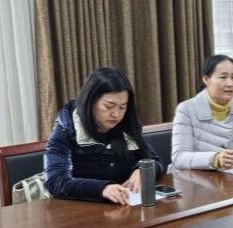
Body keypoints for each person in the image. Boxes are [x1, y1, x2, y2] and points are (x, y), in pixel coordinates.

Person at [45, 67, 164, 205]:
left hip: (124, 206)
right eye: (109, 106)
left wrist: (142, 170)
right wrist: (102, 189)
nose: (116, 114)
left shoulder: (126, 125)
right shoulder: (67, 128)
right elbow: (56, 181)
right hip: (81, 210)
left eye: (122, 107)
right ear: (90, 101)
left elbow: (155, 161)